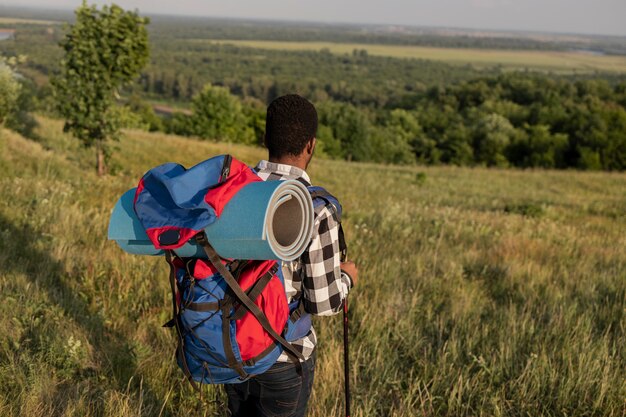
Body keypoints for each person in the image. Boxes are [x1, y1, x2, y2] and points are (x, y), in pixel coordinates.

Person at [224, 94, 358, 417]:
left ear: (265, 138)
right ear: (311, 145)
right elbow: (323, 302)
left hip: (232, 349)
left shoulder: (232, 192)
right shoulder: (316, 209)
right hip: (285, 358)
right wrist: (348, 278)